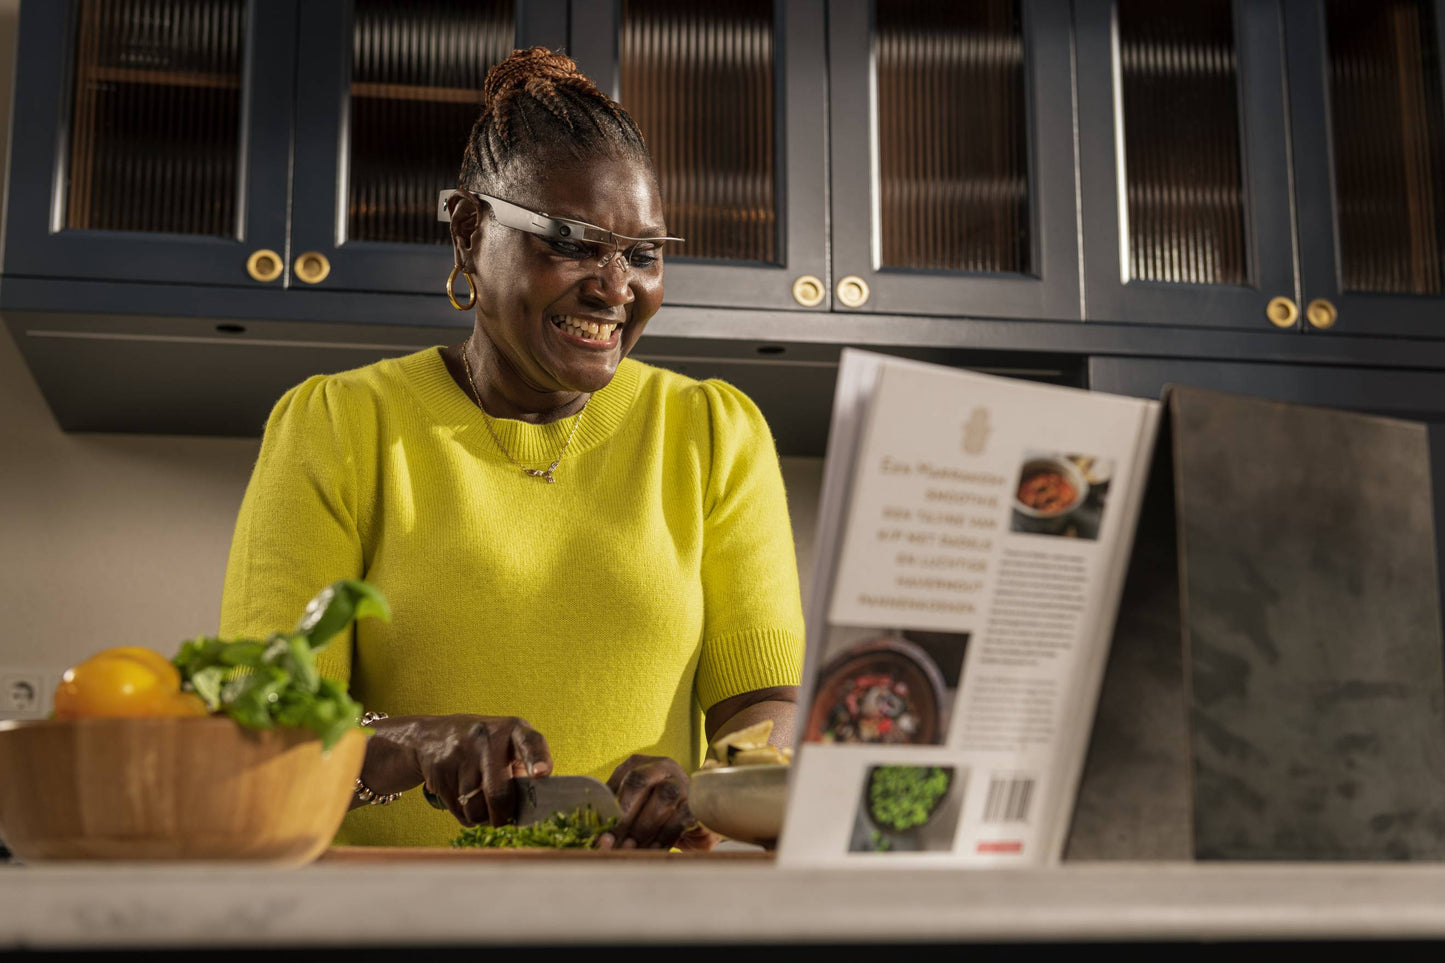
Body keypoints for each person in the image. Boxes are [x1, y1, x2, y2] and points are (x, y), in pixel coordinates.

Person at [218, 47, 805, 850]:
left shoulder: (712, 433)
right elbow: (262, 722)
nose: (613, 287)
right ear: (469, 232)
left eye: (643, 254)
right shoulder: (340, 424)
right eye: (570, 241)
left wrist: (701, 783)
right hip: (381, 917)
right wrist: (415, 745)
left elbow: (763, 704)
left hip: (641, 917)